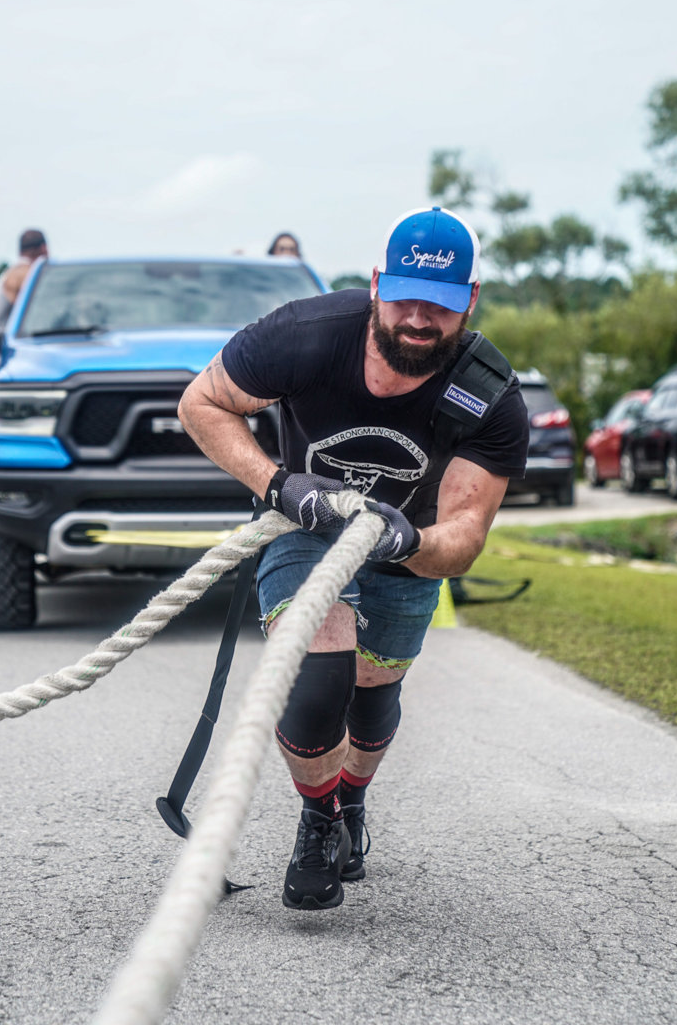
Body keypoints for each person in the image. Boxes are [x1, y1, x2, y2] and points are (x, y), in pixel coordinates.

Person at [178, 206, 529, 911]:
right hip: (301, 524)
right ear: (375, 283)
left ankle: (353, 798)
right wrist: (279, 484)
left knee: (373, 699)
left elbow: (463, 533)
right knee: (316, 690)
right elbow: (202, 404)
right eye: (403, 298)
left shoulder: (487, 393)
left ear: (470, 301)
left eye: (441, 306)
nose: (419, 319)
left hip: (408, 547)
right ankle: (318, 817)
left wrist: (411, 540)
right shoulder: (306, 336)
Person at [0, 229, 48, 366]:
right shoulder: (24, 274)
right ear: (43, 248)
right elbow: (38, 316)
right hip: (9, 355)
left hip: (5, 351)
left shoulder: (12, 273)